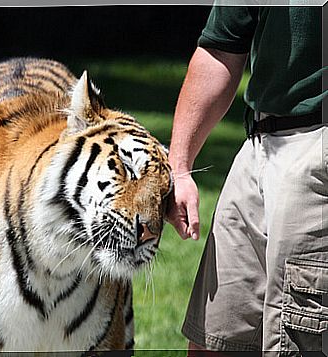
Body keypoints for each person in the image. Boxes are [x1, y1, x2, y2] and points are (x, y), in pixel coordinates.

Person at [166, 6, 327, 356]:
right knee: (213, 340)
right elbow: (221, 47)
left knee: (295, 341)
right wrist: (179, 167)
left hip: (318, 148)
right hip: (259, 142)